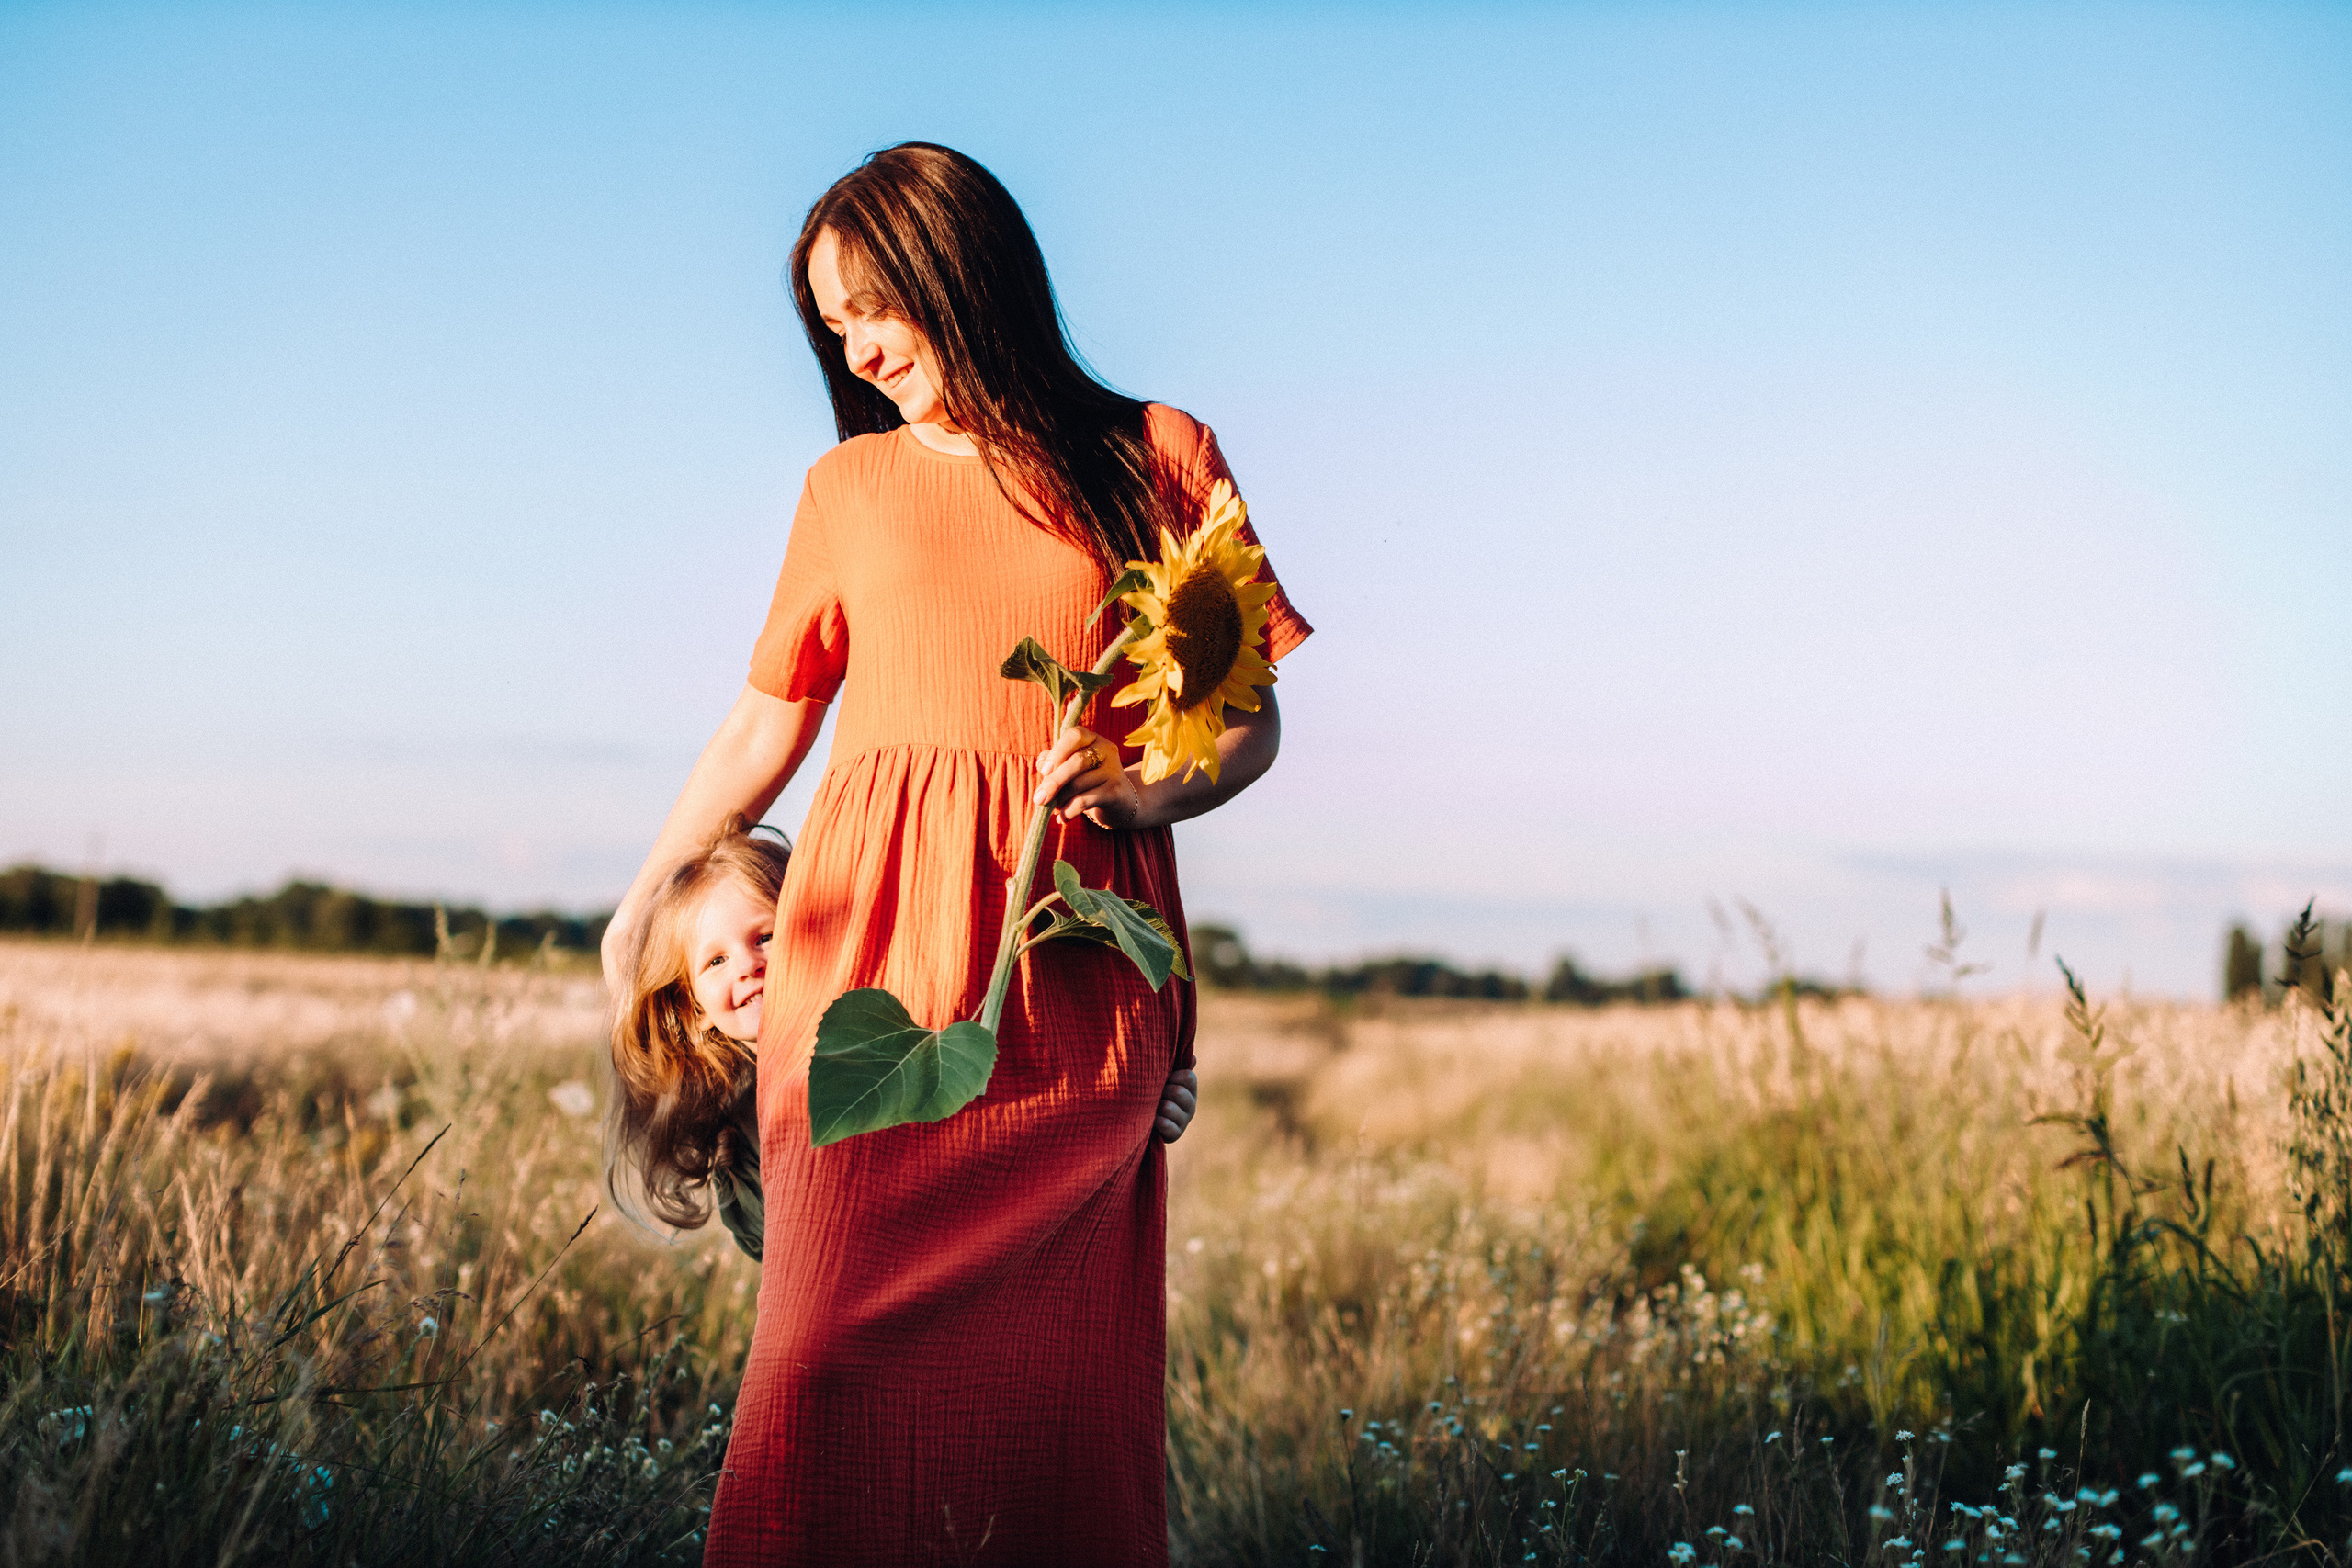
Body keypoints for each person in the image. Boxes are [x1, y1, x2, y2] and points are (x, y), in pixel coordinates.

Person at [601, 142, 1310, 1565]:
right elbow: (765, 723)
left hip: (1064, 964)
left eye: (874, 304)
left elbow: (1252, 726)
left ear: (962, 270)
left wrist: (1148, 790)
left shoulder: (1158, 454)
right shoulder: (848, 486)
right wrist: (641, 904)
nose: (856, 346)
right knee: (818, 1355)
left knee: (1052, 1388)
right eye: (831, 322)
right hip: (862, 961)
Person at [601, 817, 1202, 1263]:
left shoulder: (885, 1045)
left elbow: (1012, 1116)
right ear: (695, 1011)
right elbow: (782, 1254)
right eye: (714, 961)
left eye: (766, 935)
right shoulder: (732, 1124)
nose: (747, 966)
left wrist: (1146, 1101)